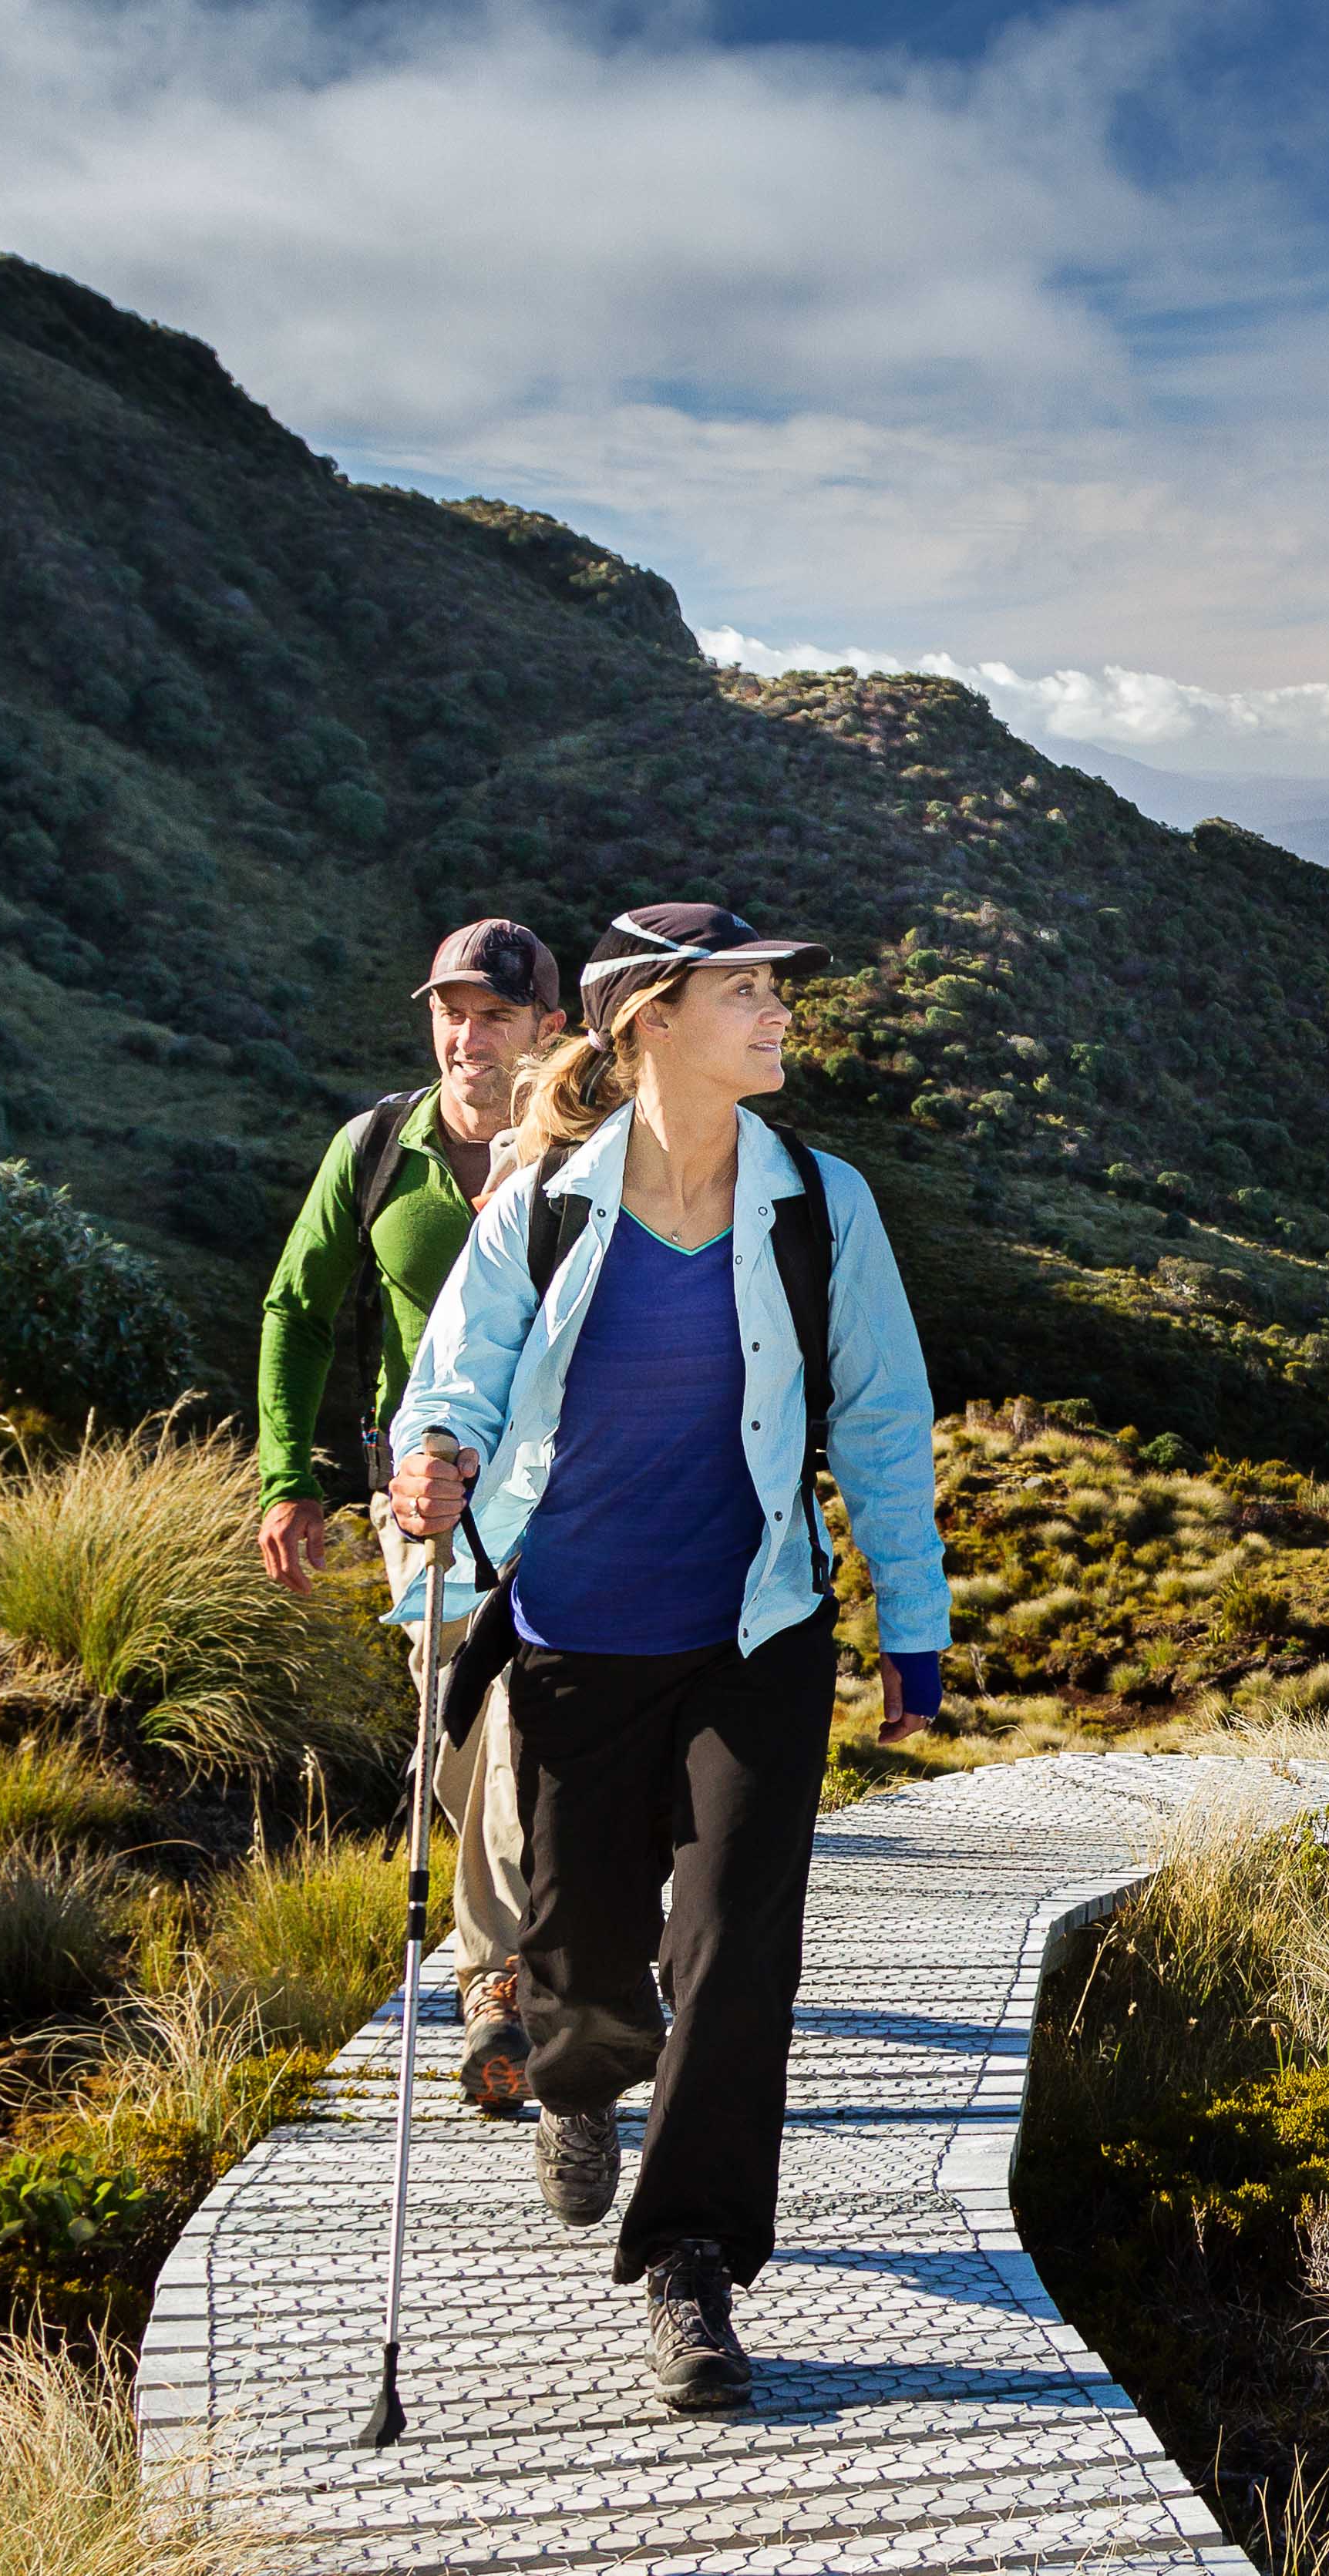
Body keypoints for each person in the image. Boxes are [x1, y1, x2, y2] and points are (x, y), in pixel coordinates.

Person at [385, 901, 951, 2415]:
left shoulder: (822, 1206)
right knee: (584, 1964)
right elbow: (446, 1392)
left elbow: (886, 1422)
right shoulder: (545, 1213)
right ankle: (576, 2078)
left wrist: (915, 1622)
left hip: (755, 1633)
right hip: (574, 1637)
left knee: (733, 1950)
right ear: (650, 1020)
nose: (779, 1015)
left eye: (777, 987)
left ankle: (691, 2268)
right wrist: (429, 1461)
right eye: (746, 993)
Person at [254, 920, 564, 2110]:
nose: (465, 1035)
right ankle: (522, 1956)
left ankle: (500, 1978)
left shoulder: (591, 1151)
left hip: (568, 1488)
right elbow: (299, 1305)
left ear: (547, 1027)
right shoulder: (380, 1148)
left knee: (534, 1710)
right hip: (423, 1491)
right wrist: (289, 1473)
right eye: (450, 1010)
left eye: (493, 1013)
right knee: (462, 1706)